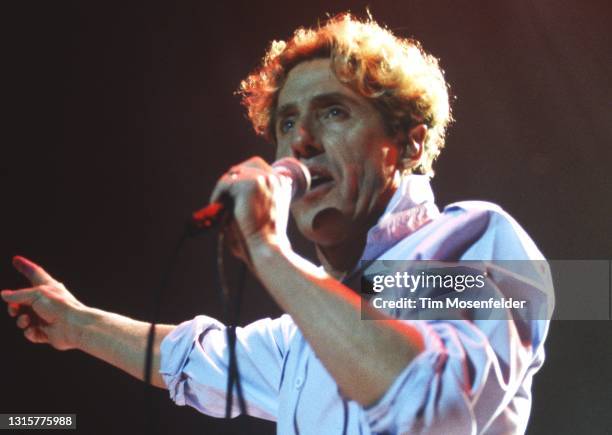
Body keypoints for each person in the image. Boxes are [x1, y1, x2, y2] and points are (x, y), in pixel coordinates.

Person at [2, 13, 552, 435]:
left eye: (333, 111)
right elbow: (193, 357)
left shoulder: (474, 239)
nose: (300, 142)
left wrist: (269, 252)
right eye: (287, 122)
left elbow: (427, 407)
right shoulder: (303, 333)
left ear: (406, 144)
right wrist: (77, 324)